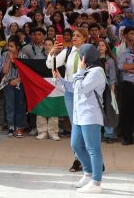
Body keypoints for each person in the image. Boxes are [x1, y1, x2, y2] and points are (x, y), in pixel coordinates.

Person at [53, 43, 106, 194]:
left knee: (93, 149)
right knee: (76, 145)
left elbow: (81, 88)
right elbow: (74, 87)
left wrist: (80, 71)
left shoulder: (97, 71)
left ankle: (96, 182)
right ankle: (88, 174)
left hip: (91, 115)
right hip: (79, 115)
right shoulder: (87, 70)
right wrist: (61, 80)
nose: (80, 57)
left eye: (81, 54)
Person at [46, 27, 88, 171]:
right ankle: (78, 158)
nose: (74, 37)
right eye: (73, 35)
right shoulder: (68, 51)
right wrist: (51, 53)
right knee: (75, 125)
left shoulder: (89, 51)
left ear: (84, 38)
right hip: (70, 93)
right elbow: (50, 64)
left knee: (86, 125)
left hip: (85, 93)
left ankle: (90, 158)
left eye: (78, 35)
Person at [1, 37, 26, 138]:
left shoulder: (23, 56)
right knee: (10, 105)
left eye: (12, 46)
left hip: (19, 83)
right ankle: (11, 126)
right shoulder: (5, 55)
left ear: (18, 47)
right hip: (8, 83)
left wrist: (17, 80)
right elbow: (5, 71)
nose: (9, 48)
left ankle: (19, 127)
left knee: (19, 105)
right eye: (8, 46)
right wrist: (9, 60)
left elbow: (26, 73)